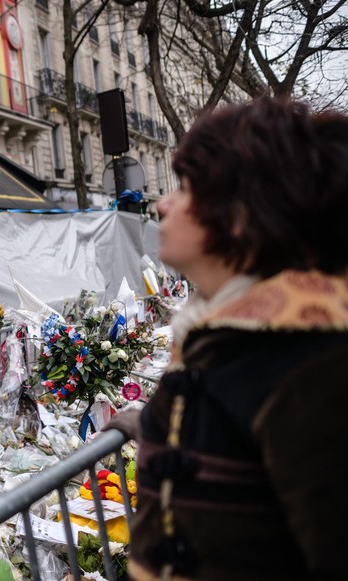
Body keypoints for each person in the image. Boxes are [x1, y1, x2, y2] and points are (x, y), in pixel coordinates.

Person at [105, 96, 348, 580]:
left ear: (240, 214)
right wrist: (148, 425)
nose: (162, 203)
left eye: (188, 188)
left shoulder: (310, 362)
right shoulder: (227, 334)